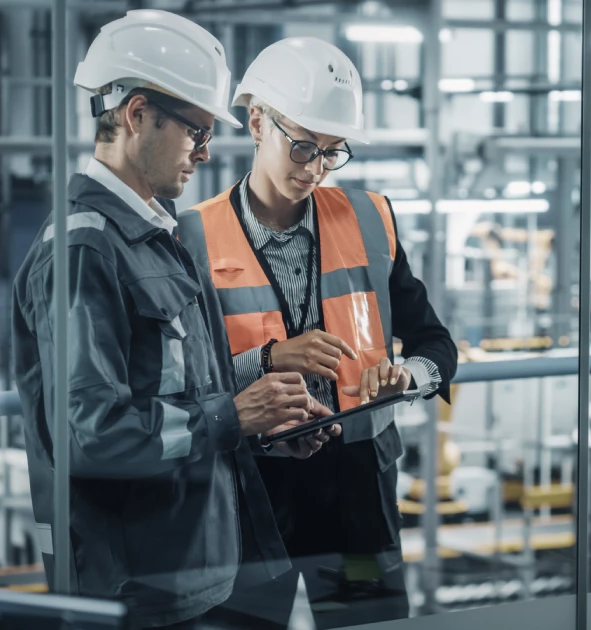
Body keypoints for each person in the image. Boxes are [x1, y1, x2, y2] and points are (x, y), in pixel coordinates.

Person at [12, 11, 338, 629]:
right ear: (138, 115)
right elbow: (90, 434)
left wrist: (263, 421)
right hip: (136, 588)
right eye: (196, 131)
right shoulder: (84, 250)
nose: (205, 152)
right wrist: (231, 416)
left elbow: (180, 389)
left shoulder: (156, 238)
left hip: (194, 570)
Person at [177, 37, 458, 629]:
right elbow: (183, 384)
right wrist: (270, 358)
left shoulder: (370, 220)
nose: (315, 169)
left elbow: (436, 344)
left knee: (369, 621)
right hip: (252, 491)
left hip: (359, 493)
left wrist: (408, 378)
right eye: (303, 146)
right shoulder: (192, 238)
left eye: (332, 153)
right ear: (258, 122)